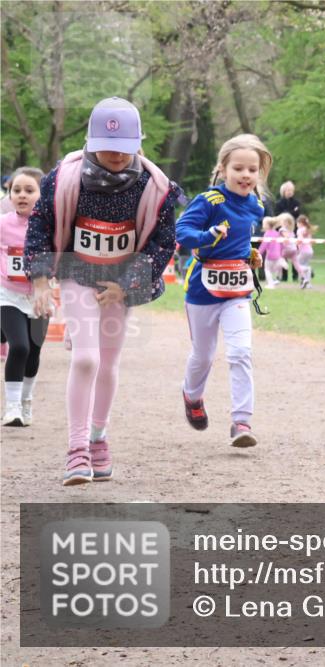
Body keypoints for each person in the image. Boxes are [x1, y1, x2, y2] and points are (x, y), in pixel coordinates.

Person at [25, 97, 180, 485]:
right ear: (92, 142)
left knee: (108, 363)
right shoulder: (65, 178)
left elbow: (164, 242)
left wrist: (128, 284)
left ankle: (98, 438)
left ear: (138, 145)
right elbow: (41, 225)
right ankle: (76, 449)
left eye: (124, 148)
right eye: (107, 146)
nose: (114, 154)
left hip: (119, 283)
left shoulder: (154, 186)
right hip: (78, 272)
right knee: (87, 360)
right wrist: (41, 278)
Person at [177, 134, 270, 448]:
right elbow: (183, 233)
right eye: (239, 168)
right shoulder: (209, 201)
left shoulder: (256, 206)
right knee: (203, 356)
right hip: (203, 289)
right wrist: (209, 235)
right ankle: (192, 396)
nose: (246, 175)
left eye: (252, 170)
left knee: (241, 351)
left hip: (238, 291)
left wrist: (249, 257)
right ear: (223, 168)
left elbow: (242, 240)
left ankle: (241, 421)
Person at [2, 167, 48, 426]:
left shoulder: (50, 227)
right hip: (7, 295)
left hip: (39, 298)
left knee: (34, 352)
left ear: (41, 195)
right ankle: (11, 408)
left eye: (29, 190)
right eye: (15, 190)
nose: (21, 195)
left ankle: (26, 400)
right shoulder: (2, 223)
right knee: (19, 346)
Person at [274, 181, 302, 283]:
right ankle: (284, 276)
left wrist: (287, 213)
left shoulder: (296, 203)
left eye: (292, 190)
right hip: (282, 232)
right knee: (283, 254)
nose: (290, 192)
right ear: (283, 191)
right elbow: (278, 217)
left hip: (294, 232)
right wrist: (291, 213)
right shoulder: (278, 203)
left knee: (295, 254)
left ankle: (295, 276)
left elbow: (297, 215)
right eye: (288, 190)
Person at [259, 217, 283, 289]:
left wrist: (259, 252)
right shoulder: (277, 233)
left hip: (270, 255)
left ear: (267, 225)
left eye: (263, 224)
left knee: (267, 270)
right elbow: (281, 244)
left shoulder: (267, 234)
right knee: (274, 269)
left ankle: (270, 284)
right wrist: (281, 253)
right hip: (278, 255)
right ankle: (276, 279)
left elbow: (264, 245)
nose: (262, 225)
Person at [293, 214, 316, 289]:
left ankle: (304, 280)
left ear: (300, 223)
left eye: (297, 223)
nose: (296, 225)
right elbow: (311, 241)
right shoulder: (307, 229)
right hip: (310, 251)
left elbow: (300, 239)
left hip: (304, 251)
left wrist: (294, 243)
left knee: (298, 265)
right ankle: (307, 283)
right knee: (305, 265)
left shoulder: (300, 230)